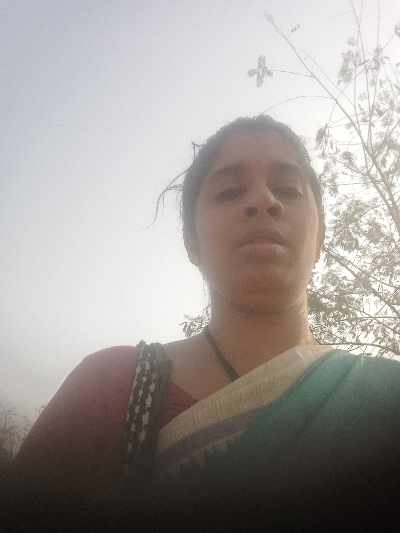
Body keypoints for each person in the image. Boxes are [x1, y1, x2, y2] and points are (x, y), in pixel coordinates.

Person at [7, 115, 400, 529]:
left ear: (320, 238)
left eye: (287, 189)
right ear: (191, 242)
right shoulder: (110, 387)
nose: (263, 201)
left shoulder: (386, 401)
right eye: (230, 192)